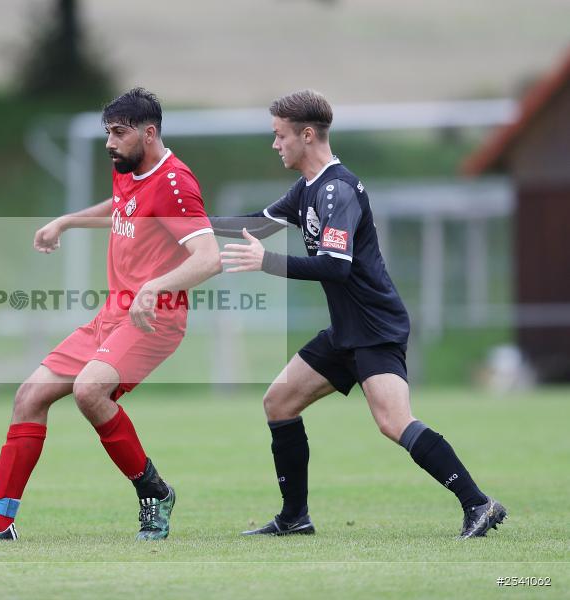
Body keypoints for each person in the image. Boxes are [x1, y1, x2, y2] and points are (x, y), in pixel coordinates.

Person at [212, 89, 506, 539]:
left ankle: (479, 504)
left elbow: (334, 266)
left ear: (307, 135)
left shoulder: (338, 191)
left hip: (374, 327)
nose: (276, 145)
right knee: (279, 402)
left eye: (280, 135)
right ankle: (295, 518)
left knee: (393, 422)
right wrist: (189, 225)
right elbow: (259, 224)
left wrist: (266, 262)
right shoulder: (307, 188)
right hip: (345, 331)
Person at [0, 88, 221, 542]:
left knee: (90, 390)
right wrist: (67, 220)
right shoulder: (131, 169)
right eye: (107, 132)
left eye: (119, 133)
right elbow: (123, 208)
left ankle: (155, 493)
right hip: (114, 314)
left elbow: (209, 257)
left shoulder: (175, 183)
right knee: (30, 396)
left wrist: (156, 287)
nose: (110, 142)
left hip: (155, 320)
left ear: (149, 134)